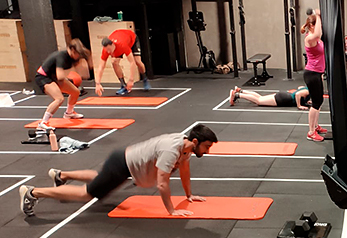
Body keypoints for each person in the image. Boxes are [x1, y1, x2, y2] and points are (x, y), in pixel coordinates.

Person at [19, 124, 217, 217]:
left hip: (123, 161)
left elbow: (185, 170)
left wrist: (189, 195)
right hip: (122, 165)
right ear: (195, 141)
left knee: (100, 177)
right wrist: (172, 211)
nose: (207, 151)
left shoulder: (185, 147)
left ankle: (61, 175)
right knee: (86, 194)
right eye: (207, 147)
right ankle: (33, 192)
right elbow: (162, 183)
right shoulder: (171, 151)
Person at [34, 39, 92, 130]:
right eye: (77, 54)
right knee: (59, 99)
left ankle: (69, 113)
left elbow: (87, 57)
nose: (78, 57)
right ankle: (43, 123)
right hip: (44, 77)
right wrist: (74, 71)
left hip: (54, 77)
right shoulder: (62, 57)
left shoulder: (74, 56)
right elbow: (60, 76)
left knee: (75, 92)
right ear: (72, 50)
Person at [95, 29, 151, 96]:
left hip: (132, 40)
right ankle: (123, 85)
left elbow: (132, 62)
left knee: (137, 61)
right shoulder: (106, 51)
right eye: (107, 50)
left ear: (113, 45)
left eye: (109, 49)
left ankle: (145, 79)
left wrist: (131, 80)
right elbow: (101, 66)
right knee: (114, 62)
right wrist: (97, 83)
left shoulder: (122, 45)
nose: (109, 52)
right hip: (119, 38)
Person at [302, 9, 327, 142]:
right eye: (318, 24)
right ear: (312, 25)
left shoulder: (316, 39)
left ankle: (316, 126)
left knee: (319, 101)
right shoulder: (310, 38)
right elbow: (318, 33)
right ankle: (311, 132)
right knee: (316, 103)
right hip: (311, 73)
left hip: (317, 73)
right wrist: (318, 15)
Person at [229, 86, 311, 109]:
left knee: (260, 97)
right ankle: (237, 95)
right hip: (283, 99)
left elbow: (299, 88)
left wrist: (305, 101)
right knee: (259, 101)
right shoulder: (308, 91)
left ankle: (240, 91)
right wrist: (299, 105)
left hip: (283, 95)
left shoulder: (306, 88)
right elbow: (297, 94)